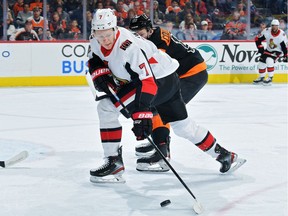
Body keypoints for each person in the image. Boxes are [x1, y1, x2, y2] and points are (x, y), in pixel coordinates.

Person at [129, 14, 245, 173]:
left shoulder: (157, 41)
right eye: (134, 35)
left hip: (192, 73)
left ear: (149, 30)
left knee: (161, 106)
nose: (138, 38)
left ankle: (162, 151)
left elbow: (154, 68)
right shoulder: (152, 36)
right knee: (161, 107)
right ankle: (160, 143)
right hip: (181, 72)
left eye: (140, 34)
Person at [88, 8, 183, 183]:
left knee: (109, 108)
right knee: (106, 108)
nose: (105, 40)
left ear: (115, 29)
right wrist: (98, 73)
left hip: (161, 78)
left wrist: (142, 114)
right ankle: (113, 161)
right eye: (100, 36)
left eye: (108, 34)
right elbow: (93, 59)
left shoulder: (128, 46)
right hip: (143, 79)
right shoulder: (95, 40)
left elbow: (147, 80)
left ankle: (115, 162)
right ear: (94, 33)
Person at [253, 19, 288, 85]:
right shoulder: (266, 31)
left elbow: (284, 47)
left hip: (277, 51)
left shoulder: (282, 35)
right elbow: (257, 39)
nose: (274, 27)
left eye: (276, 26)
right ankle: (261, 78)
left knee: (269, 60)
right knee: (261, 63)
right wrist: (260, 47)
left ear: (278, 26)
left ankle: (270, 78)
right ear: (271, 26)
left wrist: (286, 55)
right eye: (273, 26)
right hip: (268, 50)